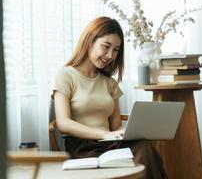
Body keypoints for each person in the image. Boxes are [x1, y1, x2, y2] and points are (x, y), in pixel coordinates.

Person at [51, 16, 167, 179]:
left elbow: (116, 125)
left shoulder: (110, 83)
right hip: (83, 147)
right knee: (138, 158)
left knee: (144, 148)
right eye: (106, 47)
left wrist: (128, 133)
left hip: (110, 144)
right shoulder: (65, 75)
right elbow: (63, 123)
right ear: (89, 42)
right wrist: (103, 134)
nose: (110, 55)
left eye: (116, 50)